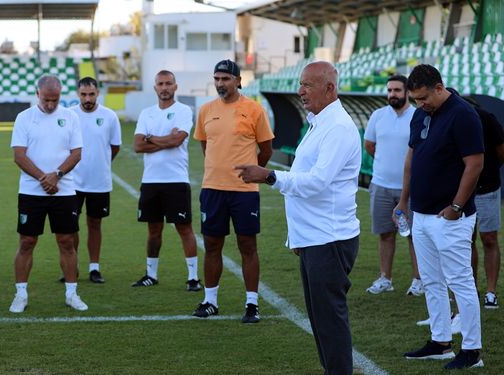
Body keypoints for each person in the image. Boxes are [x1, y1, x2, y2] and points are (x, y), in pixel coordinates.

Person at [235, 61, 361, 374]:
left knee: (330, 321)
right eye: (300, 84)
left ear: (329, 88)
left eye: (307, 85)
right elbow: (306, 177)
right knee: (321, 320)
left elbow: (317, 182)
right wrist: (299, 237)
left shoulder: (339, 128)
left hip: (329, 240)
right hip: (316, 239)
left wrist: (268, 176)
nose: (300, 91)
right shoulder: (321, 123)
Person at [398, 65, 484, 369]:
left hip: (450, 217)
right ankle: (441, 342)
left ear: (439, 87)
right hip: (420, 214)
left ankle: (472, 351)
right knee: (432, 281)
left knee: (460, 282)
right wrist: (404, 200)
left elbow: (475, 164)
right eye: (415, 99)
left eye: (423, 98)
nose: (420, 104)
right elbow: (412, 159)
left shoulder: (463, 114)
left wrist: (457, 207)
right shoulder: (421, 113)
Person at [192, 59, 274, 324]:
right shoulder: (205, 110)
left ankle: (252, 304)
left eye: (225, 78)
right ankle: (210, 301)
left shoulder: (254, 110)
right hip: (213, 188)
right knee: (212, 245)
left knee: (247, 246)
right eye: (216, 78)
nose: (220, 83)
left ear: (238, 80)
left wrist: (253, 173)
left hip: (244, 191)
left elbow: (267, 149)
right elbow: (205, 146)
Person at [8, 75, 87, 313]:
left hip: (64, 192)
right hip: (32, 192)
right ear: (37, 94)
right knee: (27, 242)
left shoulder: (70, 117)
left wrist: (57, 175)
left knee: (66, 242)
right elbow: (19, 155)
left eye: (55, 100)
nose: (51, 105)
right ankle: (20, 294)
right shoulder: (24, 118)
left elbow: (76, 153)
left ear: (61, 94)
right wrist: (45, 178)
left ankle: (71, 294)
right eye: (46, 100)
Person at [132, 70, 201, 292]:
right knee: (153, 230)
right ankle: (151, 274)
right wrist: (164, 140)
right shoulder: (146, 113)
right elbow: (137, 145)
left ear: (175, 87)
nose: (164, 87)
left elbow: (177, 140)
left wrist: (151, 138)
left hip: (176, 180)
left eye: (168, 83)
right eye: (160, 84)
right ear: (155, 88)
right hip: (151, 181)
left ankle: (193, 277)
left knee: (184, 228)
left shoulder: (183, 111)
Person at [363, 75, 422, 296]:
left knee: (415, 236)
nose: (392, 94)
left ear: (407, 92)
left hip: (411, 188)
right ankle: (385, 278)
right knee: (385, 234)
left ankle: (419, 280)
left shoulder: (418, 116)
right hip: (380, 185)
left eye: (397, 90)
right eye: (389, 90)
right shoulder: (378, 116)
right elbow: (369, 145)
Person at [70, 77, 122, 283]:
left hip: (99, 182)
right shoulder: (70, 115)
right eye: (84, 94)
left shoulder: (109, 116)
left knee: (95, 224)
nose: (88, 98)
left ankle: (94, 267)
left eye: (91, 94)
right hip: (72, 182)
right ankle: (71, 267)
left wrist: (101, 163)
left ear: (97, 93)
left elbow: (115, 146)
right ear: (78, 94)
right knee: (70, 226)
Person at [470, 107, 503, 309]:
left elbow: (501, 150)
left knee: (489, 238)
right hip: (460, 190)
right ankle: (470, 289)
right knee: (466, 240)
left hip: (487, 188)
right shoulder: (440, 117)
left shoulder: (485, 117)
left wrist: (488, 171)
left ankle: (491, 292)